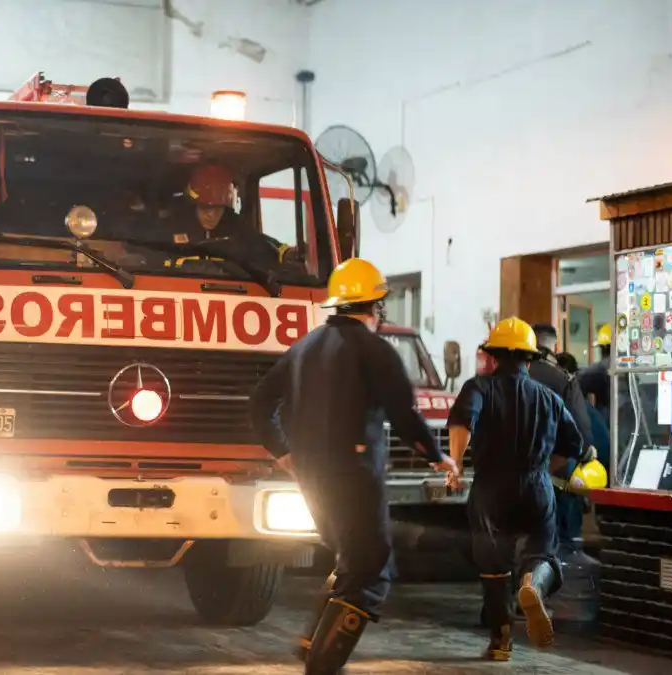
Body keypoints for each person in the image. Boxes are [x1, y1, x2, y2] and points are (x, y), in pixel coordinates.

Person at [249, 258, 457, 674]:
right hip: (354, 474)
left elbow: (259, 401)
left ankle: (314, 642)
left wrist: (283, 451)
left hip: (310, 475)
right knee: (372, 567)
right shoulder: (374, 349)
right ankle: (322, 664)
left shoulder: (305, 347)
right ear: (375, 306)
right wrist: (437, 456)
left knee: (350, 561)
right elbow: (403, 414)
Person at [445, 318, 584, 661]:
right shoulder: (549, 397)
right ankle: (533, 586)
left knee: (493, 566)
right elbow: (574, 444)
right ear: (528, 358)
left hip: (491, 487)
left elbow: (463, 420)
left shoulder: (478, 387)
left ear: (495, 356)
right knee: (544, 552)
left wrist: (455, 465)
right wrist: (544, 471)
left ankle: (500, 641)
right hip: (537, 485)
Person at [529, 324, 596, 555]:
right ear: (554, 347)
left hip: (508, 480)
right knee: (559, 544)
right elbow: (583, 435)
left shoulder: (501, 379)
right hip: (553, 473)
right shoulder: (563, 380)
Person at [578, 324, 613, 424]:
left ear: (602, 348)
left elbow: (578, 380)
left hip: (606, 420)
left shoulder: (599, 369)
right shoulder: (627, 368)